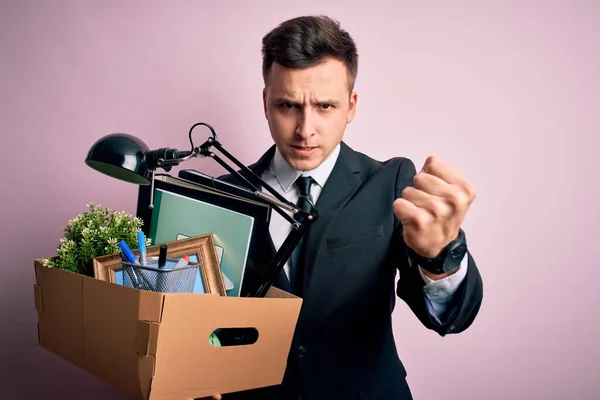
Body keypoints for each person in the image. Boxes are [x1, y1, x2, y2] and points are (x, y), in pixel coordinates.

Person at [206, 14, 483, 400]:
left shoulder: (391, 182)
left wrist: (440, 255)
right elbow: (201, 320)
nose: (305, 130)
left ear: (351, 106)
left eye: (325, 106)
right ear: (266, 102)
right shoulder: (220, 194)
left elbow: (449, 319)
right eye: (288, 105)